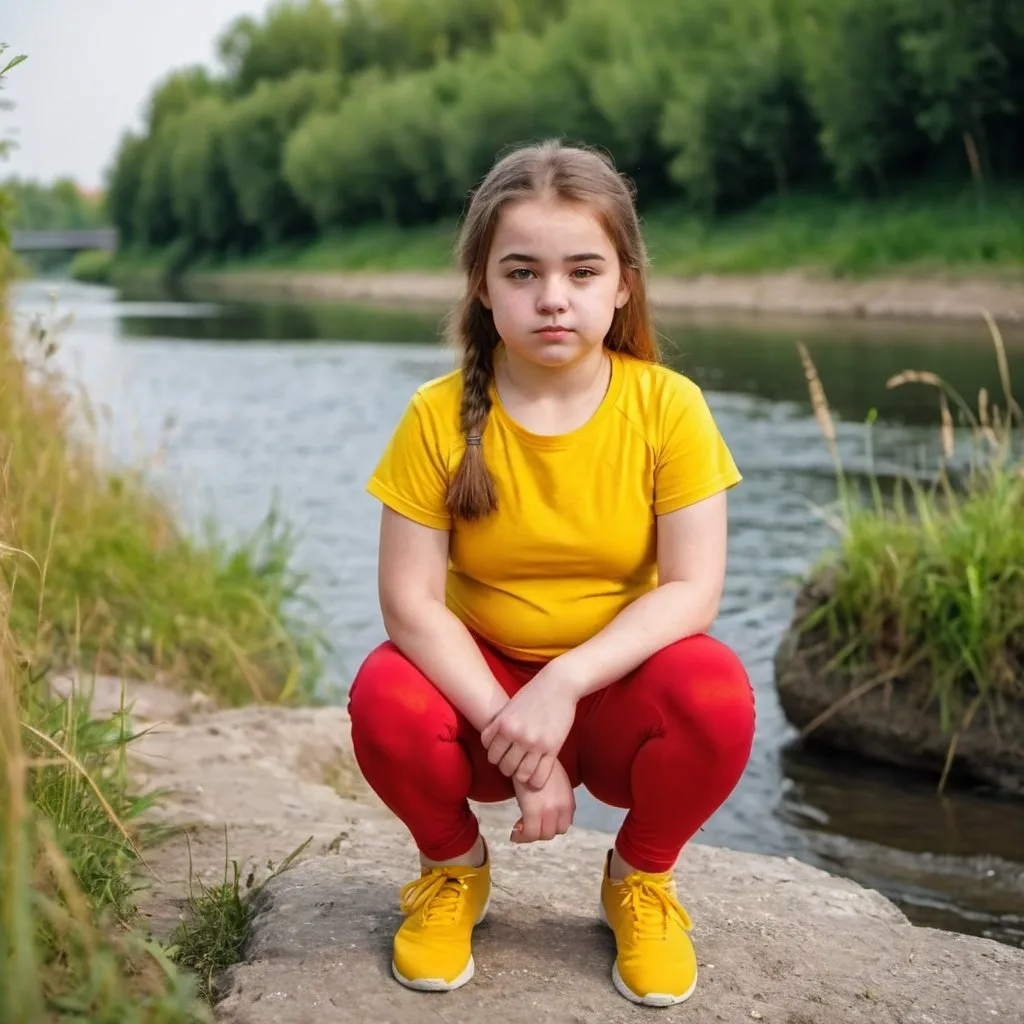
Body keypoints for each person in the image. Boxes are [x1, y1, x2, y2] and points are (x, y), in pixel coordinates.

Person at [347, 139, 755, 1008]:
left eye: (581, 270)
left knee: (716, 688)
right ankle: (454, 869)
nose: (553, 298)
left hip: (609, 697)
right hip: (481, 697)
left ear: (624, 283)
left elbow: (694, 590)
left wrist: (563, 685)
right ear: (483, 286)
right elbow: (409, 604)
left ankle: (640, 879)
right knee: (385, 693)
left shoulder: (668, 407)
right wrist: (515, 731)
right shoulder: (434, 416)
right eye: (522, 273)